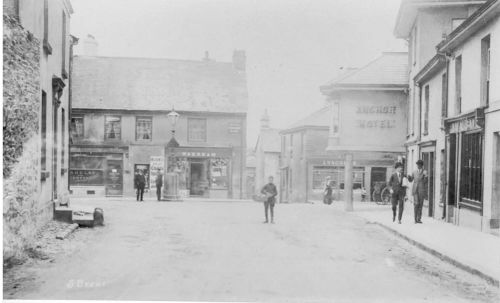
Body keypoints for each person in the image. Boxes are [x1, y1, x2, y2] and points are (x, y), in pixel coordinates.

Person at [408, 160, 428, 224]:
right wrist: (409, 177)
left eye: (419, 165)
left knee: (420, 204)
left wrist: (425, 176)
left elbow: (425, 182)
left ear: (422, 166)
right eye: (417, 165)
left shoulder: (424, 172)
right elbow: (411, 180)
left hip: (421, 190)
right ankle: (415, 219)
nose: (418, 166)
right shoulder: (414, 172)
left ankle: (419, 219)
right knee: (416, 204)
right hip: (415, 190)